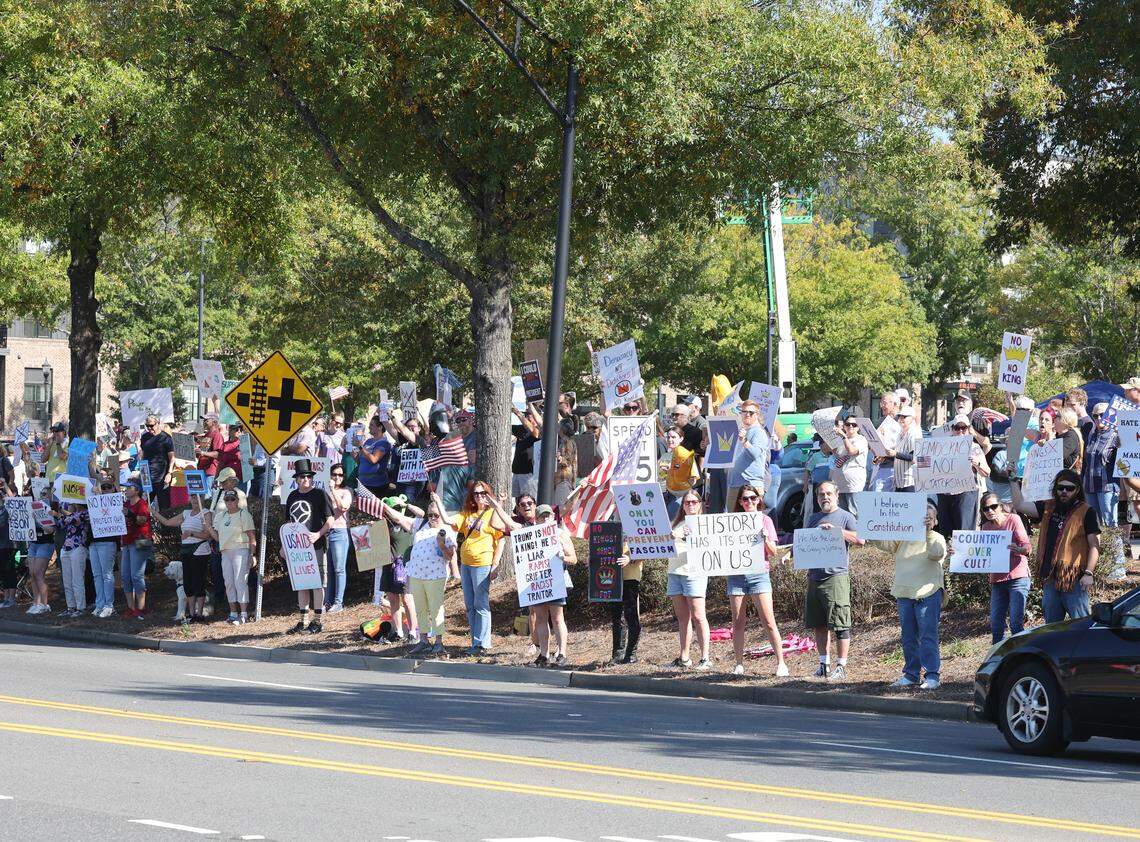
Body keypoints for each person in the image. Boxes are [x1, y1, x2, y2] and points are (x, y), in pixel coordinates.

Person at [1010, 468, 1100, 622]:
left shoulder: (1087, 512)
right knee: (1051, 628)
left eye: (1069, 488)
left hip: (1074, 579)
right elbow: (1019, 504)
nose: (1064, 491)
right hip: (1050, 577)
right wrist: (1012, 480)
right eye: (1060, 488)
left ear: (1077, 490)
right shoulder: (1047, 506)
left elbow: (1095, 545)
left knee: (1081, 626)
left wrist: (1089, 573)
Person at [435, 482, 513, 655]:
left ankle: (483, 644)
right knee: (470, 605)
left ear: (488, 494)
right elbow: (448, 521)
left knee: (481, 604)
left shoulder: (493, 513)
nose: (479, 496)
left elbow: (501, 540)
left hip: (482, 563)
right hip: (466, 564)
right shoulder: (467, 514)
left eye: (482, 492)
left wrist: (496, 564)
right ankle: (474, 642)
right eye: (476, 493)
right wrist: (438, 501)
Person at [880, 503, 947, 689]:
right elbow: (883, 543)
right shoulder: (903, 538)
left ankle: (932, 676)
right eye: (922, 516)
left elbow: (936, 554)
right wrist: (869, 526)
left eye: (929, 517)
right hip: (904, 594)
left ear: (935, 521)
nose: (925, 519)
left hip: (928, 594)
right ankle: (911, 675)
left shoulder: (937, 538)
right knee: (909, 637)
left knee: (928, 636)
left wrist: (926, 532)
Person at [804, 482, 864, 681]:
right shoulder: (813, 518)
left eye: (829, 493)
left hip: (836, 576)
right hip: (815, 577)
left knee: (840, 624)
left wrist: (837, 531)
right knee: (819, 625)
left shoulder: (846, 516)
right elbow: (805, 544)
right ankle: (824, 664)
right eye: (821, 494)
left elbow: (861, 540)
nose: (825, 497)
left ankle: (841, 666)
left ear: (837, 495)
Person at [383, 497, 457, 657]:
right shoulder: (420, 525)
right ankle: (423, 640)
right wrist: (381, 504)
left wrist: (442, 544)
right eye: (430, 515)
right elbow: (398, 518)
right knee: (421, 608)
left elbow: (450, 555)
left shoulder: (447, 530)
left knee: (436, 608)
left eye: (436, 515)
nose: (432, 518)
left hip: (435, 576)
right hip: (416, 574)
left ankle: (438, 642)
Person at [726, 484, 787, 677]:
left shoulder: (765, 520)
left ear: (759, 499)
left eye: (753, 498)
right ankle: (738, 663)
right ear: (740, 502)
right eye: (745, 499)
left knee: (769, 621)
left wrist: (766, 538)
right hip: (737, 575)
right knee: (737, 622)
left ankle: (781, 663)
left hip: (759, 574)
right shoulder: (730, 521)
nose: (749, 502)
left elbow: (773, 552)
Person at [281, 459, 334, 634]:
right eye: (302, 477)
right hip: (297, 548)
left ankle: (317, 621)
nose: (305, 479)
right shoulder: (292, 496)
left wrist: (318, 534)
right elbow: (288, 524)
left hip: (316, 545)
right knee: (301, 584)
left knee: (317, 583)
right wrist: (284, 546)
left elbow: (330, 520)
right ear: (296, 479)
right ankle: (302, 621)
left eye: (308, 476)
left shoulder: (320, 494)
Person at [975, 491, 1034, 643]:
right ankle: (999, 661)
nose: (990, 511)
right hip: (997, 580)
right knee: (996, 626)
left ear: (1001, 507)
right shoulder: (986, 527)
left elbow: (1027, 546)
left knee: (1015, 624)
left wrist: (1019, 549)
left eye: (993, 507)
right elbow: (979, 552)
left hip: (1017, 576)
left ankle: (1021, 657)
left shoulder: (1013, 519)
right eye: (985, 508)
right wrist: (959, 553)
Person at [667, 490, 711, 670]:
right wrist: (670, 537)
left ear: (700, 503)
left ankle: (705, 658)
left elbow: (708, 547)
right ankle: (684, 657)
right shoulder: (676, 523)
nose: (691, 505)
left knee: (699, 616)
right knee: (682, 617)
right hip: (675, 571)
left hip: (694, 574)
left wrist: (686, 537)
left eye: (694, 502)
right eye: (687, 502)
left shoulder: (706, 524)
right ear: (682, 505)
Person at [530, 503, 578, 667]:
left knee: (557, 618)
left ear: (553, 517)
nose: (545, 519)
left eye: (547, 515)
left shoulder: (560, 534)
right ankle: (544, 655)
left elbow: (574, 558)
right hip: (537, 581)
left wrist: (563, 557)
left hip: (556, 581)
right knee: (541, 618)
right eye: (541, 516)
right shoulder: (531, 535)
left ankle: (562, 653)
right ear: (536, 519)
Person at [154, 495, 212, 623]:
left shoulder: (206, 513)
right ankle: (191, 614)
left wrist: (191, 533)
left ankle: (199, 613)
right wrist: (153, 512)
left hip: (199, 550)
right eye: (193, 498)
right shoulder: (185, 513)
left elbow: (208, 534)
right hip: (186, 549)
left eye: (198, 498)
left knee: (199, 581)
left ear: (202, 499)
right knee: (188, 582)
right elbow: (167, 522)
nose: (195, 501)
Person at [935, 414, 989, 539]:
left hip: (966, 494)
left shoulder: (974, 447)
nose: (960, 431)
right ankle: (948, 558)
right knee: (946, 534)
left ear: (968, 429)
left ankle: (963, 558)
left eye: (963, 428)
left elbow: (987, 472)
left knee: (964, 533)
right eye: (956, 428)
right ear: (952, 429)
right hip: (945, 494)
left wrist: (976, 463)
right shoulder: (942, 446)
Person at [209, 489, 256, 624]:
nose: (230, 502)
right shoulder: (221, 516)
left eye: (232, 499)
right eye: (227, 499)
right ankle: (233, 613)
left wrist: (252, 554)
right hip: (225, 551)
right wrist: (208, 527)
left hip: (240, 550)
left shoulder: (244, 514)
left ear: (237, 501)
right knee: (229, 582)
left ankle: (244, 614)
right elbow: (217, 537)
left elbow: (251, 535)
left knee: (240, 581)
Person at [727, 400, 769, 512]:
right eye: (744, 412)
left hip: (751, 484)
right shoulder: (742, 431)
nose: (747, 414)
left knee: (751, 522)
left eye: (751, 412)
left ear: (757, 414)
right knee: (733, 522)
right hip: (735, 483)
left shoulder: (759, 432)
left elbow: (755, 453)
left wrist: (744, 441)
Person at [88, 478, 121, 617]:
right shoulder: (94, 502)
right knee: (97, 575)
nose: (106, 490)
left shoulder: (117, 503)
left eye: (109, 487)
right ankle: (100, 603)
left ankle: (109, 605)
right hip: (93, 542)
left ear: (114, 489)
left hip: (107, 542)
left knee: (106, 574)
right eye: (104, 487)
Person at [1083, 402, 1120, 528]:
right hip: (1090, 485)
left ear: (1110, 415)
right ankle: (1097, 548)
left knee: (1111, 525)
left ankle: (1116, 549)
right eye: (1095, 415)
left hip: (1107, 486)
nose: (1099, 418)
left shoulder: (1116, 435)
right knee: (1094, 526)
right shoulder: (1091, 435)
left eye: (1102, 415)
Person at [120, 479, 153, 618]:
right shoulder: (125, 504)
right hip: (127, 542)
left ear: (137, 490)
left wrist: (130, 514)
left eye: (129, 488)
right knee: (125, 576)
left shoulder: (142, 504)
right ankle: (131, 607)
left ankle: (141, 607)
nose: (126, 490)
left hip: (139, 541)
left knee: (136, 575)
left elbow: (142, 520)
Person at [322, 464, 352, 613]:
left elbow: (343, 507)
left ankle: (338, 602)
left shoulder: (346, 492)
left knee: (339, 569)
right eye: (334, 474)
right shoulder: (324, 491)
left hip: (340, 532)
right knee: (330, 570)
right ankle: (327, 601)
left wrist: (333, 490)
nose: (337, 477)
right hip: (327, 532)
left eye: (340, 475)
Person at [827, 415, 868, 515]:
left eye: (854, 424)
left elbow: (852, 451)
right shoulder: (841, 440)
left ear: (858, 427)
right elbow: (834, 453)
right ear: (844, 426)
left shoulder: (861, 439)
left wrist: (843, 436)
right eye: (847, 424)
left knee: (854, 513)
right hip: (839, 484)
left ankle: (856, 531)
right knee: (842, 514)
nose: (850, 426)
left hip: (853, 485)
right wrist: (830, 436)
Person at [24, 486, 56, 614]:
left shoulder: (51, 510)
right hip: (34, 543)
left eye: (45, 494)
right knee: (32, 573)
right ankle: (36, 603)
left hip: (45, 543)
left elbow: (51, 530)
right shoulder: (35, 507)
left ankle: (45, 604)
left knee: (38, 573)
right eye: (42, 494)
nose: (43, 496)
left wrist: (38, 520)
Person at [611, 538, 642, 664]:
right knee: (616, 616)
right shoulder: (612, 527)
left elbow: (647, 550)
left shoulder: (635, 526)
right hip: (612, 576)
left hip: (631, 576)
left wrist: (629, 558)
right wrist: (594, 559)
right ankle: (617, 654)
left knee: (631, 614)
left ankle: (631, 654)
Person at [58, 503, 90, 618]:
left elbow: (75, 520)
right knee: (67, 581)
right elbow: (60, 524)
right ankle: (70, 607)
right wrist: (63, 513)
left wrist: (63, 512)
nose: (73, 503)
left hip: (78, 547)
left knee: (77, 580)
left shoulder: (86, 513)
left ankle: (81, 607)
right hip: (66, 548)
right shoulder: (71, 513)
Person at [663, 426, 698, 519]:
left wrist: (684, 496)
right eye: (668, 437)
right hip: (669, 494)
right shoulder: (668, 455)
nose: (670, 439)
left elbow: (693, 479)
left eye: (673, 437)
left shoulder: (685, 454)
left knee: (672, 523)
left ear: (681, 439)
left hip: (680, 496)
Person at [140, 416, 175, 510]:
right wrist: (141, 470)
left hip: (162, 477)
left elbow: (172, 457)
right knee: (144, 506)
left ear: (158, 423)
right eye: (147, 426)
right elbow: (143, 454)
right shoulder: (145, 437)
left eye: (151, 425)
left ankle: (165, 524)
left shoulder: (166, 438)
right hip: (147, 476)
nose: (149, 428)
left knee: (164, 507)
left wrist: (169, 473)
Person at [355, 415, 394, 497]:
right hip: (363, 483)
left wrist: (360, 447)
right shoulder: (368, 441)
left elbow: (374, 460)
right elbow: (358, 461)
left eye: (372, 425)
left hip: (376, 485)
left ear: (380, 427)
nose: (369, 427)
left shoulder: (384, 443)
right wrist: (352, 448)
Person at [872, 391, 901, 492]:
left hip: (897, 467)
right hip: (882, 467)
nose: (882, 406)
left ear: (895, 404)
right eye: (881, 403)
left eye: (884, 403)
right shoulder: (881, 421)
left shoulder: (902, 421)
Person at [889, 405, 921, 492]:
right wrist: (885, 456)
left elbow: (913, 457)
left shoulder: (914, 433)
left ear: (912, 418)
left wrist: (895, 454)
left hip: (910, 482)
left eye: (904, 416)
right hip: (899, 482)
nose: (901, 418)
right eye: (900, 416)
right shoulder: (900, 433)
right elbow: (898, 456)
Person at [1054, 407, 1084, 473]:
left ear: (1064, 420)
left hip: (1067, 478)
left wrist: (1050, 438)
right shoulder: (1059, 435)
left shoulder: (1071, 436)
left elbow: (1057, 455)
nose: (1054, 419)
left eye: (1056, 416)